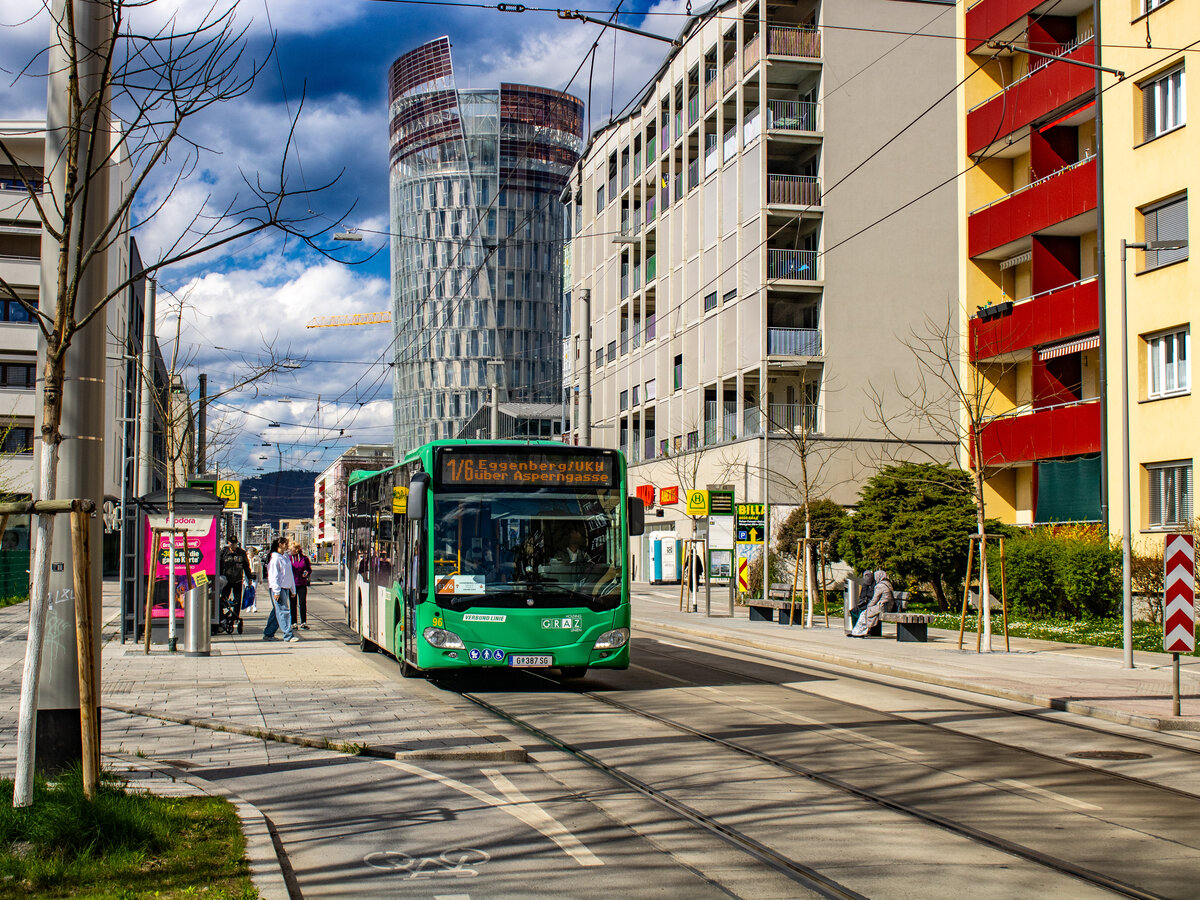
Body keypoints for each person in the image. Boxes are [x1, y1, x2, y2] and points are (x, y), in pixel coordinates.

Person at [263, 538, 299, 643]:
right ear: (280, 545)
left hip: (285, 587)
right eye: (286, 544)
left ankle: (268, 633)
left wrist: (293, 589)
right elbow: (274, 576)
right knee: (283, 610)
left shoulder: (285, 557)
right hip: (278, 588)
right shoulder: (275, 558)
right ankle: (288, 635)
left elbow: (289, 574)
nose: (287, 545)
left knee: (276, 611)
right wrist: (276, 591)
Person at [220, 535, 254, 628]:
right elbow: (218, 565)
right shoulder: (223, 552)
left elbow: (246, 567)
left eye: (234, 544)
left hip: (237, 580)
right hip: (226, 580)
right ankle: (222, 617)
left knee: (237, 600)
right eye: (231, 543)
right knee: (223, 599)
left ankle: (235, 617)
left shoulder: (241, 553)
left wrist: (249, 578)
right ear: (228, 543)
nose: (233, 546)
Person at [849, 569, 893, 638]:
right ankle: (860, 631)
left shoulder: (880, 586)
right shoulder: (888, 584)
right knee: (864, 612)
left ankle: (860, 632)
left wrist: (869, 606)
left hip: (883, 606)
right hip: (888, 605)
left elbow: (874, 599)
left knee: (865, 613)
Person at [289, 542, 313, 629]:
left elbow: (309, 569)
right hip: (292, 584)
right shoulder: (289, 558)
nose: (290, 550)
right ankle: (293, 623)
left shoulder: (304, 558)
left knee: (302, 602)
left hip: (302, 583)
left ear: (297, 549)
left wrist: (306, 573)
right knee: (293, 604)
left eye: (292, 549)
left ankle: (303, 622)